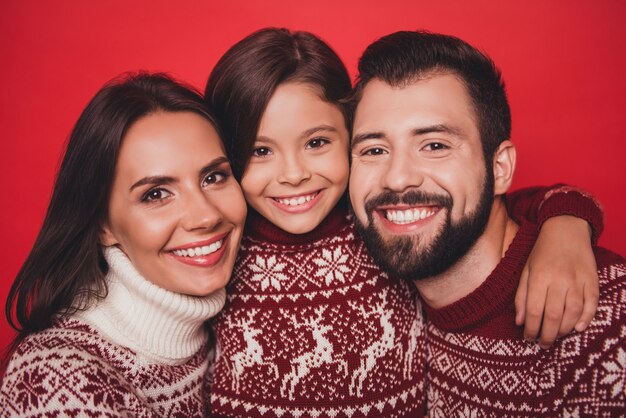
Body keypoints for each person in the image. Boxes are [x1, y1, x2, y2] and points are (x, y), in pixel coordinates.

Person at [204, 28, 604, 416]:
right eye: (259, 150)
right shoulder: (224, 249)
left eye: (316, 143)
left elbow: (488, 206)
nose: (293, 174)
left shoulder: (372, 228)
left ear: (347, 141)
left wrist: (567, 220)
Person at [348, 30, 625, 415]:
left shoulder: (608, 333)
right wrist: (568, 214)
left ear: (500, 168)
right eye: (374, 150)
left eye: (435, 146)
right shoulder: (378, 296)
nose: (397, 179)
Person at [0, 73, 247, 416]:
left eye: (214, 177)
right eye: (156, 194)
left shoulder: (240, 330)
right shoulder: (57, 379)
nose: (205, 216)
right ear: (103, 224)